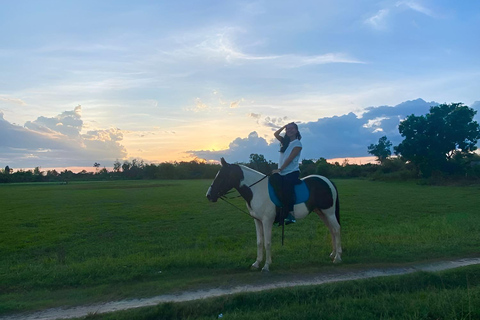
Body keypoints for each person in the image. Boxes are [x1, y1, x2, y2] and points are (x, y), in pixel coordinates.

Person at [272, 122, 302, 225]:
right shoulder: (284, 142)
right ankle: (277, 211)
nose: (289, 130)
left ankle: (290, 214)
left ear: (296, 130)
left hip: (291, 172)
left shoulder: (297, 144)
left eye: (292, 129)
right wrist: (283, 127)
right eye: (288, 129)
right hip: (282, 172)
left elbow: (290, 159)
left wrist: (280, 169)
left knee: (286, 190)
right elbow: (275, 134)